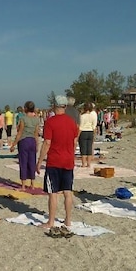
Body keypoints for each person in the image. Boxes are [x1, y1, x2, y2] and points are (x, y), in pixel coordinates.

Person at [36, 95, 80, 231]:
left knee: (53, 193)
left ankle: (51, 221)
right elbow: (74, 142)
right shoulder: (72, 122)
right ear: (65, 107)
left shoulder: (50, 122)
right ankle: (68, 219)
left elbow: (47, 143)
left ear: (54, 106)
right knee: (68, 191)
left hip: (54, 161)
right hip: (68, 160)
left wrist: (39, 161)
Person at [10, 101, 40, 189]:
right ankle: (32, 184)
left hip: (24, 141)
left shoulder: (23, 119)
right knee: (32, 161)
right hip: (32, 141)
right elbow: (36, 133)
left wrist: (13, 145)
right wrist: (37, 145)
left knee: (23, 162)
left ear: (26, 108)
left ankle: (23, 185)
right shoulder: (36, 119)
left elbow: (20, 133)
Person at [78, 102, 98, 168]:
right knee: (89, 148)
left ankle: (83, 164)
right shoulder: (94, 114)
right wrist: (94, 135)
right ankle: (89, 164)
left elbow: (80, 127)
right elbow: (94, 126)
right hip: (91, 131)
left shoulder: (82, 116)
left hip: (83, 132)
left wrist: (77, 136)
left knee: (83, 148)